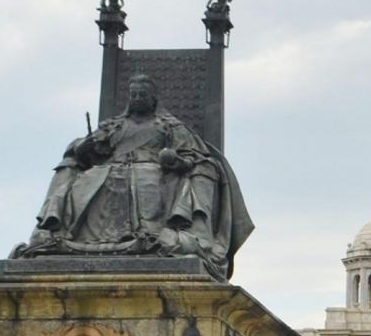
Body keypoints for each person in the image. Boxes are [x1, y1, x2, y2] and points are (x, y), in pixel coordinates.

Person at [14, 74, 252, 280]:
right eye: (134, 95)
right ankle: (55, 228)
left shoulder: (169, 127)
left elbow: (195, 157)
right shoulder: (114, 126)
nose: (137, 99)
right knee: (83, 177)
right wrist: (84, 146)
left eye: (142, 95)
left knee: (145, 180)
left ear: (153, 99)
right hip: (108, 169)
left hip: (151, 170)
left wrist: (176, 160)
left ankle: (154, 235)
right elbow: (85, 151)